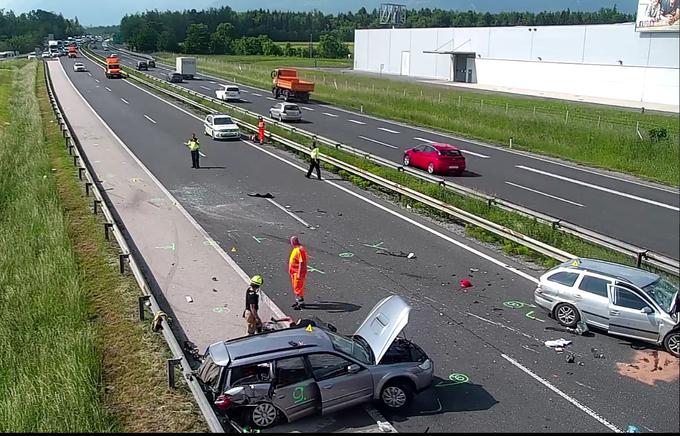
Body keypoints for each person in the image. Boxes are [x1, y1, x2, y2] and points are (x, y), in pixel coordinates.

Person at [288, 236, 308, 310]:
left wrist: (299, 273)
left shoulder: (299, 250)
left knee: (298, 288)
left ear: (293, 242)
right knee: (296, 288)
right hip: (294, 272)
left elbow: (301, 262)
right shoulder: (296, 249)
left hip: (297, 273)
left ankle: (300, 303)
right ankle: (298, 301)